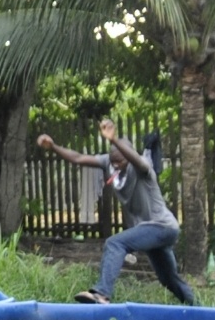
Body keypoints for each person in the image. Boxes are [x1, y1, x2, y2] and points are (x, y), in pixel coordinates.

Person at [39, 120, 198, 305]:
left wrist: (113, 139)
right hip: (151, 232)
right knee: (169, 280)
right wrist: (53, 147)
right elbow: (78, 158)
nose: (115, 166)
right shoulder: (108, 162)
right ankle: (202, 313)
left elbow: (136, 160)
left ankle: (102, 293)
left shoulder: (142, 167)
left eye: (120, 162)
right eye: (113, 162)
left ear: (128, 158)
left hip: (162, 226)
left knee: (115, 243)